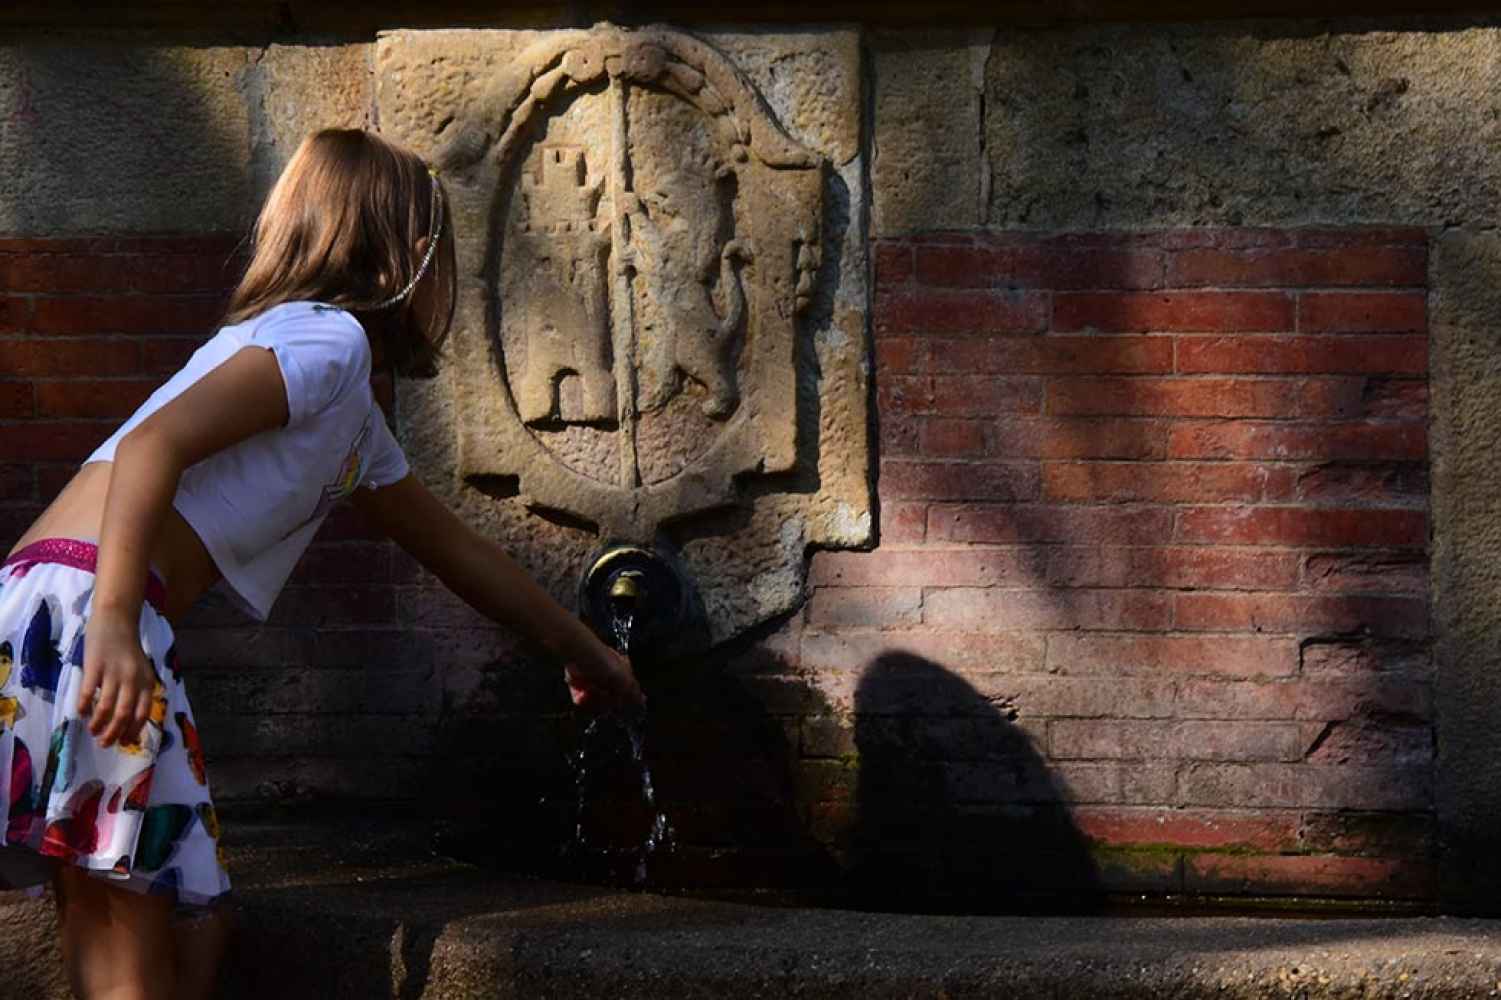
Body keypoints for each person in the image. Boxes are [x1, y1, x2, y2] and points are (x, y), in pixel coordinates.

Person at [0, 128, 643, 999]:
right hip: (91, 605)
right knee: (134, 944)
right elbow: (155, 445)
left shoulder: (347, 411)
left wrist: (582, 649)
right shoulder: (327, 342)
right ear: (413, 255)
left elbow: (454, 550)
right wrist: (115, 624)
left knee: (142, 917)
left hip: (48, 601)